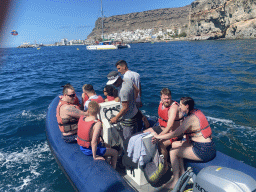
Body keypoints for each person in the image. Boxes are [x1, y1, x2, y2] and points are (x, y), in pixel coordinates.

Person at [152, 97, 216, 190]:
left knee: (173, 152)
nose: (179, 107)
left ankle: (175, 181)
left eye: (181, 105)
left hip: (203, 150)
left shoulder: (190, 119)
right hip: (209, 146)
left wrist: (158, 137)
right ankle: (182, 173)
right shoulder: (196, 112)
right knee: (174, 145)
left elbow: (175, 133)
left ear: (187, 106)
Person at [77, 101, 118, 169]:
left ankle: (107, 162)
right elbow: (94, 142)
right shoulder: (97, 124)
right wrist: (95, 156)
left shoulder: (83, 118)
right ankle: (114, 169)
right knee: (115, 153)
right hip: (89, 150)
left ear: (88, 111)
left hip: (82, 146)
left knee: (108, 146)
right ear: (98, 111)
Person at [116, 60, 150, 130]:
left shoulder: (126, 77)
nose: (118, 71)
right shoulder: (137, 74)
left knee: (133, 119)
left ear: (124, 67)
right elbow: (139, 88)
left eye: (119, 68)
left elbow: (128, 90)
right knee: (137, 116)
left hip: (132, 101)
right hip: (137, 99)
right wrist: (139, 99)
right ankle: (144, 124)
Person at [106, 71, 141, 140]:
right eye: (113, 83)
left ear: (119, 78)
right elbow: (137, 90)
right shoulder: (127, 80)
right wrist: (132, 101)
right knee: (135, 135)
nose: (114, 84)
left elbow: (125, 108)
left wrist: (115, 118)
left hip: (128, 119)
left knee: (128, 139)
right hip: (135, 112)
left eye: (115, 82)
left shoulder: (123, 91)